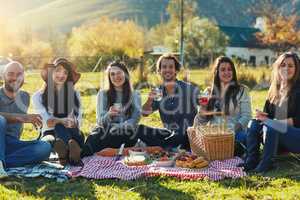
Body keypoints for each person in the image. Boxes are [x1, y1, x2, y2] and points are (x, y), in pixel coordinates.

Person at [243, 52, 300, 173]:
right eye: (283, 65)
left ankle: (266, 164)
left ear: (296, 69)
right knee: (253, 123)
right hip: (276, 136)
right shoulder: (274, 90)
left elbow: (297, 120)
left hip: (296, 137)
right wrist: (261, 117)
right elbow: (267, 115)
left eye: (290, 66)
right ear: (278, 68)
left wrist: (272, 122)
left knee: (274, 126)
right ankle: (251, 161)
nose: (286, 68)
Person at [189, 56, 252, 155]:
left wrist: (231, 132)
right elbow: (199, 122)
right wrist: (203, 108)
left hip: (235, 132)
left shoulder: (242, 90)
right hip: (214, 135)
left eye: (229, 69)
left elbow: (246, 116)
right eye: (223, 70)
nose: (227, 72)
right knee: (199, 142)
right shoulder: (208, 91)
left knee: (245, 138)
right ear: (217, 73)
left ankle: (235, 151)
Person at [0, 61, 51, 178]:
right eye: (11, 74)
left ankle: (2, 162)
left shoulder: (24, 96)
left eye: (19, 74)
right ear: (3, 76)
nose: (15, 78)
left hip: (12, 144)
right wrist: (22, 118)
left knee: (45, 147)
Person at [140, 53, 199, 150]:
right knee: (140, 129)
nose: (167, 69)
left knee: (180, 135)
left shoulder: (188, 89)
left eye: (171, 67)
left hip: (187, 135)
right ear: (159, 71)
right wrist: (150, 100)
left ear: (176, 70)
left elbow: (205, 104)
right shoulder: (158, 92)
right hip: (169, 133)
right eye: (164, 67)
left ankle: (157, 146)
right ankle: (164, 146)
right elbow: (144, 113)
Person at [81, 61, 141, 156]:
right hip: (106, 132)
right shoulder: (103, 94)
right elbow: (100, 121)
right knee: (98, 132)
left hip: (125, 132)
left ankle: (94, 151)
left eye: (119, 73)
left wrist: (117, 127)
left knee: (139, 131)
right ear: (109, 78)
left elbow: (135, 120)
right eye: (112, 74)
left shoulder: (135, 94)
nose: (116, 77)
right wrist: (108, 115)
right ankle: (80, 154)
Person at [32, 58, 84, 166]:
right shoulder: (38, 96)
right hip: (50, 133)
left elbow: (78, 122)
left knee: (75, 133)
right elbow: (47, 123)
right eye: (58, 70)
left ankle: (64, 152)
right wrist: (62, 120)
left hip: (72, 131)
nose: (61, 75)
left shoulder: (75, 94)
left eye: (65, 72)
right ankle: (69, 151)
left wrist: (72, 122)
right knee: (57, 131)